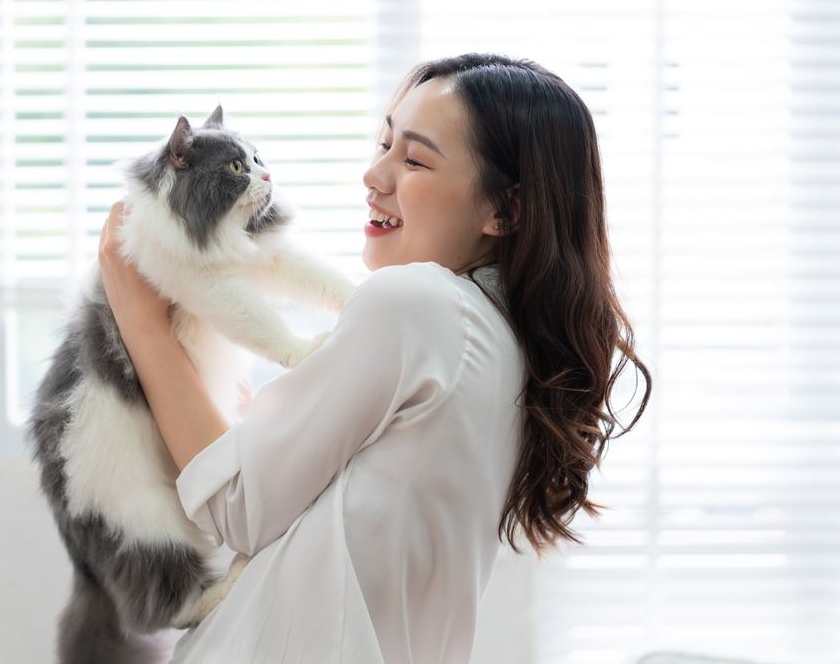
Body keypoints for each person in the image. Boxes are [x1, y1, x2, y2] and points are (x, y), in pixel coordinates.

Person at [97, 52, 652, 663]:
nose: (374, 175)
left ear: (505, 210)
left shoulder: (417, 304)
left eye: (413, 158)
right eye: (383, 143)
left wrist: (143, 320)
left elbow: (239, 505)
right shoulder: (500, 338)